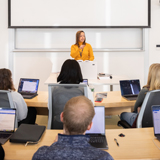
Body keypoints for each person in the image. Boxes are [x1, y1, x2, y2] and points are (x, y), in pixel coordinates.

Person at [32, 96, 113, 160]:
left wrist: (54, 145)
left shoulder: (41, 154)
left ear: (62, 117)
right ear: (90, 126)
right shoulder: (104, 157)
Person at [51, 59, 94, 129]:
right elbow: (91, 107)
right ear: (78, 72)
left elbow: (50, 107)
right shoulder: (83, 88)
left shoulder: (55, 88)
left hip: (59, 125)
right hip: (79, 126)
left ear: (62, 72)